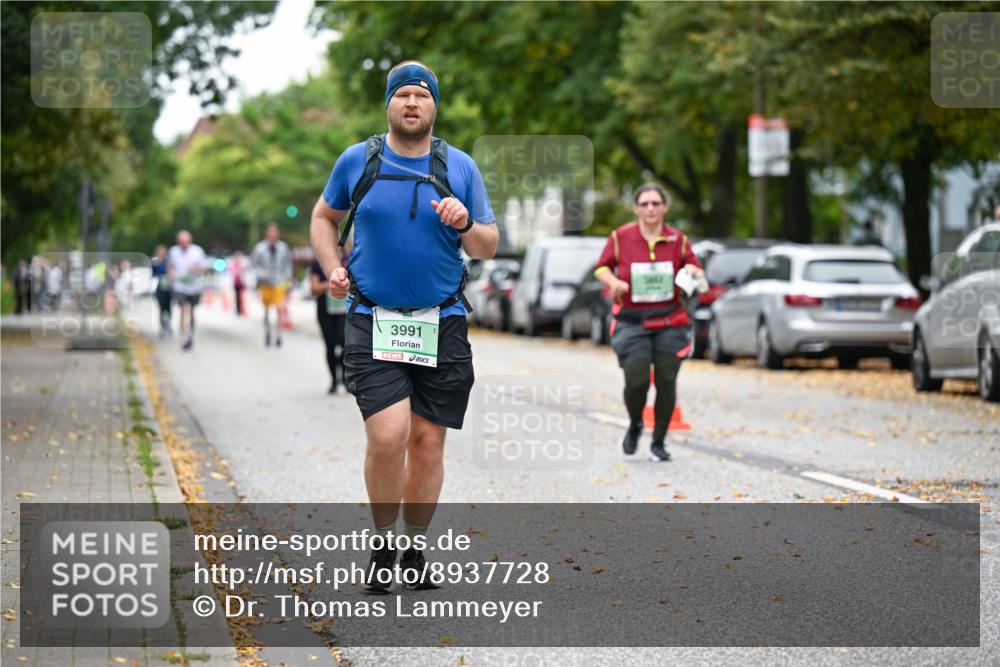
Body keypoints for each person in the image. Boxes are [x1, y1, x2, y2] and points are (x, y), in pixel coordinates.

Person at [310, 60, 498, 592]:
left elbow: (488, 243)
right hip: (373, 318)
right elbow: (324, 217)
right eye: (402, 96)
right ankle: (383, 541)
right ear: (388, 105)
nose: (411, 103)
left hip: (443, 320)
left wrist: (466, 223)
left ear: (434, 106)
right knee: (389, 435)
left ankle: (414, 548)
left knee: (428, 443)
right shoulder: (358, 160)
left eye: (422, 96)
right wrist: (332, 268)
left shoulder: (458, 166)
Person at [595, 183, 704, 462]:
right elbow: (602, 266)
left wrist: (692, 269)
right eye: (645, 204)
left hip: (670, 320)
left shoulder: (677, 239)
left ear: (665, 207)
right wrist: (614, 282)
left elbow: (695, 268)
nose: (650, 209)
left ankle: (659, 441)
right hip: (632, 321)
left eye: (656, 203)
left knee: (667, 380)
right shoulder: (621, 237)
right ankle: (635, 423)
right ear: (636, 208)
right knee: (637, 380)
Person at [251, 223, 293, 347]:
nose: (272, 235)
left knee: (280, 308)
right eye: (270, 232)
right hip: (266, 283)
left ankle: (278, 334)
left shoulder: (283, 247)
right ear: (267, 234)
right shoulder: (259, 248)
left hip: (279, 282)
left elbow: (288, 264)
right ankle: (268, 331)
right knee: (267, 310)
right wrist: (261, 274)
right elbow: (253, 265)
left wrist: (287, 278)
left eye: (275, 232)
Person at [310, 258, 347, 393]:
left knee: (344, 342)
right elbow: (314, 288)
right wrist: (331, 284)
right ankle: (333, 381)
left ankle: (344, 378)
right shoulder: (317, 262)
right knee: (330, 345)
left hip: (344, 311)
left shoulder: (347, 260)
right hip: (325, 311)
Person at [168, 230, 206, 351]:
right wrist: (171, 276)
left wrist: (195, 270)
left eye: (185, 242)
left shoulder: (197, 251)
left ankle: (191, 334)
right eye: (181, 242)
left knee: (192, 312)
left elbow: (203, 268)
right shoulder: (173, 252)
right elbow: (170, 268)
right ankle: (184, 337)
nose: (183, 244)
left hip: (194, 286)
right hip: (179, 287)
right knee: (182, 310)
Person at [151, 245, 172, 337]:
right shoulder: (155, 262)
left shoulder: (168, 262)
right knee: (161, 308)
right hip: (159, 288)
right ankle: (162, 327)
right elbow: (153, 274)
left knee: (169, 308)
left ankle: (168, 325)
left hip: (168, 288)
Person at [230, 250, 247, 317]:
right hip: (236, 283)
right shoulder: (233, 264)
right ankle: (238, 310)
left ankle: (241, 309)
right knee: (237, 297)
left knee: (242, 297)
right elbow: (232, 272)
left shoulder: (242, 263)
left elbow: (244, 271)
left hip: (242, 282)